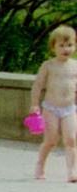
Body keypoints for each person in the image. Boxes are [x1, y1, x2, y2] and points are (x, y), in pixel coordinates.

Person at [30, 24, 77, 181]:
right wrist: (34, 104)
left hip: (69, 108)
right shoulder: (48, 65)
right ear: (53, 47)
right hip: (51, 108)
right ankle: (40, 164)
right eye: (61, 45)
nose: (66, 49)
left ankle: (72, 171)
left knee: (71, 139)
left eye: (70, 45)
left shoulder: (75, 66)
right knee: (51, 140)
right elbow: (38, 85)